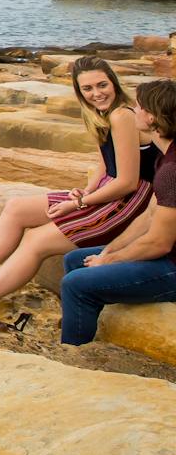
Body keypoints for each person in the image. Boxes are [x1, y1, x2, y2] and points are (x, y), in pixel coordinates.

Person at [0, 56, 156, 323]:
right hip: (108, 192)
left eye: (102, 85)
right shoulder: (99, 113)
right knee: (16, 208)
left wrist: (79, 204)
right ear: (79, 91)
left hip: (129, 202)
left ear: (114, 83)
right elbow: (106, 165)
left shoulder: (122, 115)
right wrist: (84, 192)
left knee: (36, 240)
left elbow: (127, 181)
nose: (97, 93)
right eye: (88, 88)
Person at [58, 78, 176, 345]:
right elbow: (147, 217)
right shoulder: (164, 157)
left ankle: (74, 356)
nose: (134, 109)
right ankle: (83, 326)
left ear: (153, 117)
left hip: (172, 267)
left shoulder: (171, 172)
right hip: (167, 255)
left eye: (139, 106)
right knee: (76, 260)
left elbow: (158, 242)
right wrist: (109, 251)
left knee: (76, 284)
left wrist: (108, 262)